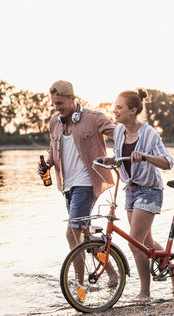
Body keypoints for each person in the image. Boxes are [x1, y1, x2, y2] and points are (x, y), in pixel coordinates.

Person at [99, 89, 174, 302]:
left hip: (150, 190)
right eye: (114, 106)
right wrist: (111, 159)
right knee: (147, 244)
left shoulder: (149, 134)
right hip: (131, 191)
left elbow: (168, 162)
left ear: (133, 110)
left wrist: (145, 156)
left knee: (134, 243)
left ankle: (145, 292)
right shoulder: (118, 132)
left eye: (119, 107)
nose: (114, 110)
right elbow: (120, 155)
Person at [38, 80, 116, 251]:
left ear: (72, 98)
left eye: (60, 103)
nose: (57, 108)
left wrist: (116, 157)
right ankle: (112, 274)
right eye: (54, 104)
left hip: (87, 183)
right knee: (84, 235)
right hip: (67, 186)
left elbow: (121, 135)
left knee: (72, 233)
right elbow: (53, 150)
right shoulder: (54, 123)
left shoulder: (94, 118)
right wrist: (48, 164)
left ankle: (78, 279)